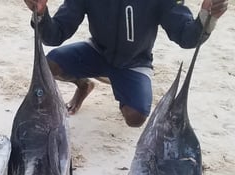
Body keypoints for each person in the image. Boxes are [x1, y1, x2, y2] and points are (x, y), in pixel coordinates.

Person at [24, 0, 228, 127]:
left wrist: (206, 17)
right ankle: (84, 86)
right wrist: (41, 14)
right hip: (97, 51)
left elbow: (186, 37)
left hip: (135, 61)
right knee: (49, 65)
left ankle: (118, 81)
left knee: (135, 117)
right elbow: (56, 34)